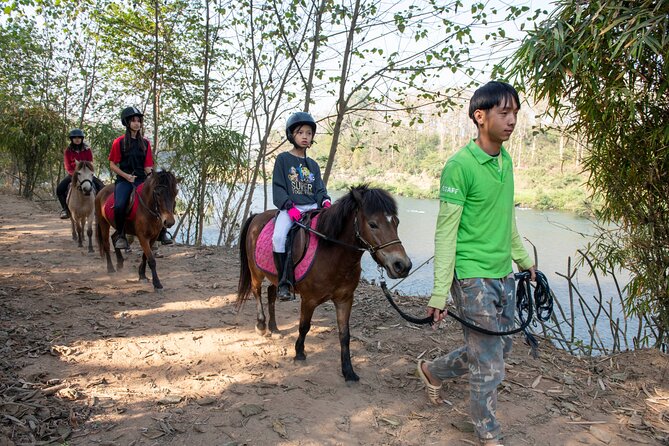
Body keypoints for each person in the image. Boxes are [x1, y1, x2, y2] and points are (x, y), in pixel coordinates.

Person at [416, 81, 536, 446]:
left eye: (515, 112)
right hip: (472, 277)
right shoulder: (459, 166)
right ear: (479, 117)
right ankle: (489, 434)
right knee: (489, 363)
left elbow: (505, 218)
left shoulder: (506, 161)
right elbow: (445, 232)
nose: (512, 120)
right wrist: (440, 293)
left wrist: (524, 260)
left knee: (500, 347)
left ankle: (431, 370)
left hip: (504, 273)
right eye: (504, 112)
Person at [272, 112, 331, 301]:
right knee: (279, 237)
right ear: (292, 135)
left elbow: (320, 188)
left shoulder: (313, 164)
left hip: (313, 207)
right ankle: (284, 283)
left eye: (309, 133)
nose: (305, 136)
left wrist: (325, 201)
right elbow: (279, 187)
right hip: (291, 208)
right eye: (300, 133)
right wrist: (290, 208)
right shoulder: (283, 160)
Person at [108, 106, 173, 250]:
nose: (137, 123)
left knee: (161, 198)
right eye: (133, 121)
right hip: (125, 179)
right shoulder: (118, 142)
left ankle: (162, 233)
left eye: (139, 120)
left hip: (142, 179)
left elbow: (147, 165)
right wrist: (126, 176)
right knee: (119, 205)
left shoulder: (145, 143)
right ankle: (121, 235)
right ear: (127, 123)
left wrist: (152, 177)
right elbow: (112, 164)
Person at [57, 128, 105, 219]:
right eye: (75, 137)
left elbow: (90, 163)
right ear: (72, 139)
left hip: (86, 174)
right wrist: (74, 174)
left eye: (79, 137)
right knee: (59, 189)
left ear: (82, 138)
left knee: (102, 187)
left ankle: (98, 209)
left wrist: (87, 173)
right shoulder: (68, 151)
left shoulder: (87, 150)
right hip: (73, 174)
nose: (77, 139)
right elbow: (67, 166)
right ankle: (65, 209)